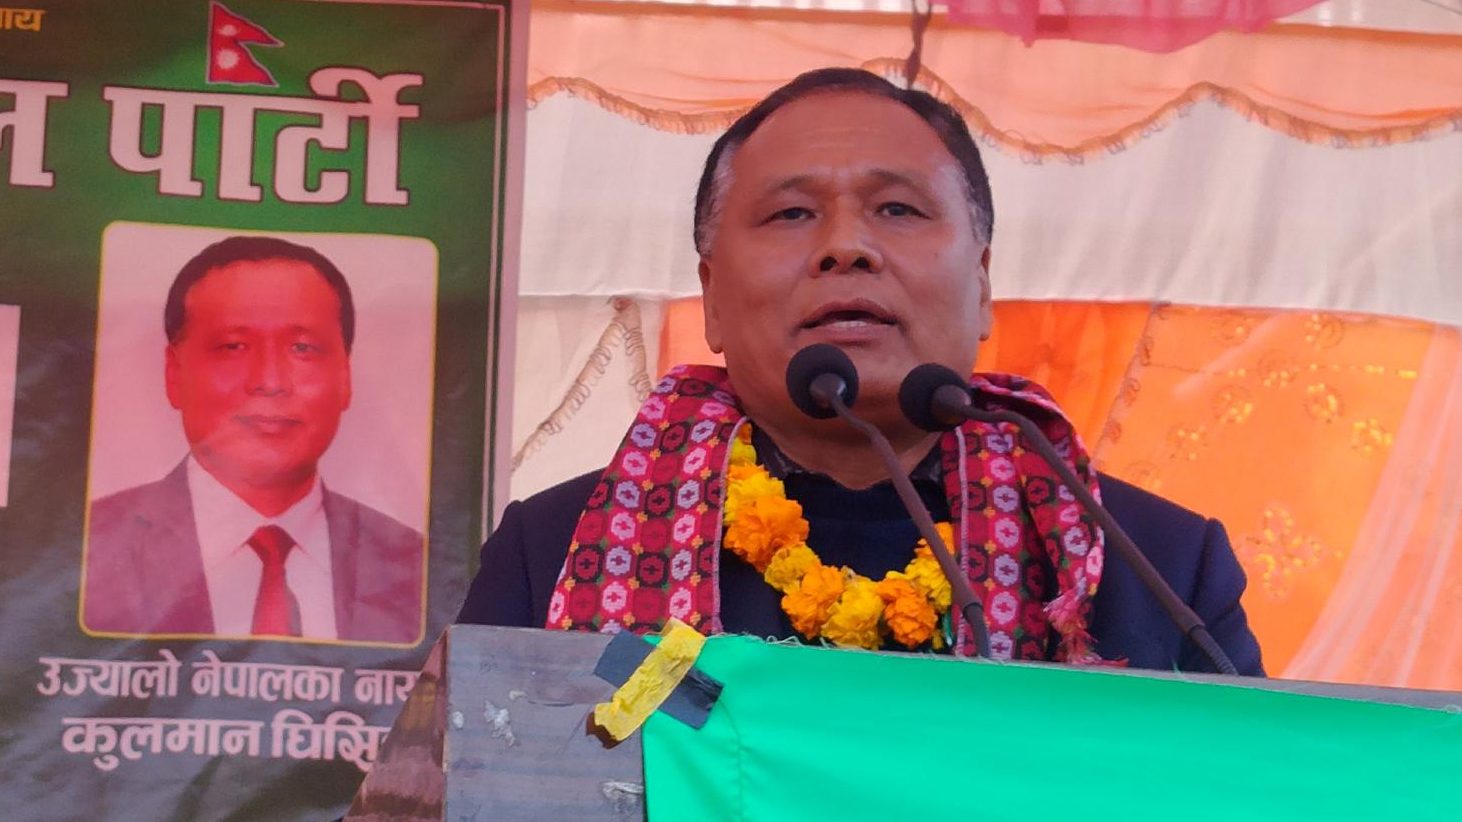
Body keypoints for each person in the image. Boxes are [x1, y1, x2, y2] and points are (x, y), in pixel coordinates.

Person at [458, 68, 1263, 674]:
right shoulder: (552, 551)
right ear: (712, 299)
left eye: (898, 210)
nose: (846, 246)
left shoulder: (1155, 567)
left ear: (983, 285)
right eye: (792, 213)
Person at [82, 235, 424, 644]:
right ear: (174, 374)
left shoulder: (418, 567)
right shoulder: (86, 550)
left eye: (302, 348)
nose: (270, 381)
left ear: (345, 376)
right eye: (234, 346)